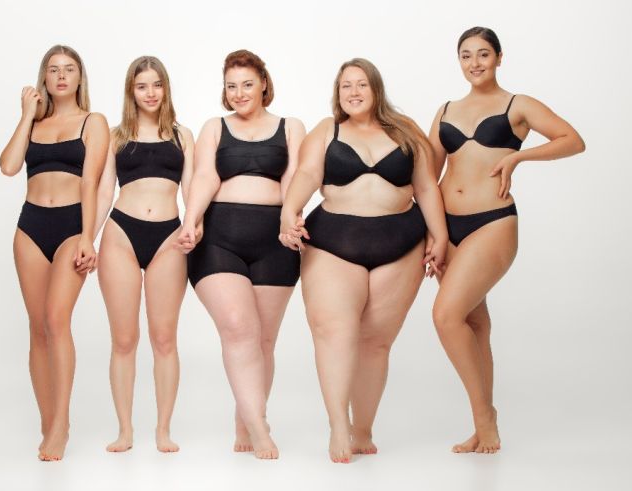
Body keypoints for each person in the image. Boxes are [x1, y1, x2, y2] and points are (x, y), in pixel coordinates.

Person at [279, 58, 447, 463]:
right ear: (337, 94)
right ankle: (338, 423)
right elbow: (305, 175)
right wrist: (289, 211)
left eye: (361, 85)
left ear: (376, 90)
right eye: (345, 86)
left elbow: (425, 188)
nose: (353, 92)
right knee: (334, 332)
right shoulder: (327, 131)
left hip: (401, 243)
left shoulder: (406, 131)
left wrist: (439, 235)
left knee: (376, 342)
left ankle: (363, 427)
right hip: (334, 243)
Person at [427, 26, 586, 454]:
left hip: (493, 222)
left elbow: (573, 140)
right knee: (474, 322)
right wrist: (433, 233)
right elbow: (427, 176)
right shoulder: (444, 110)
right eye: (465, 56)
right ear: (458, 61)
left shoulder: (518, 105)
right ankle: (483, 423)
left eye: (483, 54)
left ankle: (485, 419)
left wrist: (518, 156)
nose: (474, 63)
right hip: (449, 227)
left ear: (499, 57)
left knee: (445, 316)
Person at [176, 49, 306, 459]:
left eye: (247, 84)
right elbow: (204, 175)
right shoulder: (215, 127)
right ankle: (260, 427)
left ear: (264, 83)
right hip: (219, 239)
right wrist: (191, 219)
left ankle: (246, 417)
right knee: (238, 329)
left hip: (276, 241)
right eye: (231, 86)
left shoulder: (291, 126)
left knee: (264, 340)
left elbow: (296, 178)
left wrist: (291, 219)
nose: (239, 93)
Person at [0, 45, 109, 461]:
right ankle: (47, 421)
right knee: (37, 327)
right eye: (53, 70)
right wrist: (27, 114)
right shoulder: (35, 123)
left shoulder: (93, 122)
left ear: (80, 77)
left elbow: (92, 184)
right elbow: (9, 166)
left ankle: (61, 423)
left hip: (69, 228)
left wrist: (87, 237)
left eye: (69, 69)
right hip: (30, 227)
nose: (61, 76)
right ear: (44, 78)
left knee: (56, 319)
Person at [94, 56, 194, 453]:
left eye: (156, 85)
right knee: (124, 339)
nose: (150, 93)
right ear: (130, 91)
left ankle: (163, 430)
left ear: (165, 88)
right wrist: (89, 238)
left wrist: (194, 224)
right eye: (141, 86)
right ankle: (125, 431)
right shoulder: (117, 136)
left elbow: (192, 189)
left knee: (165, 338)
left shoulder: (182, 135)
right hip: (121, 233)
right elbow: (104, 191)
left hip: (169, 237)